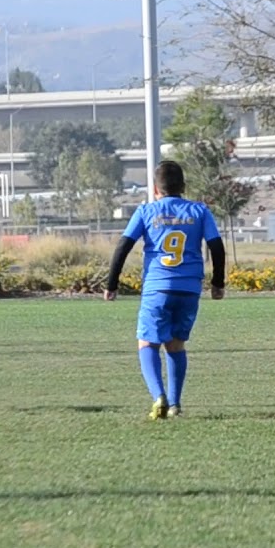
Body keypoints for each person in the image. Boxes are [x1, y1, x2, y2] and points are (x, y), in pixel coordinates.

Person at [105, 160, 226, 420]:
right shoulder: (200, 211)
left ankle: (158, 396)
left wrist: (112, 284)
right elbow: (216, 247)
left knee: (147, 342)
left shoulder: (146, 211)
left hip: (157, 287)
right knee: (176, 345)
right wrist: (218, 283)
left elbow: (123, 246)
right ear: (183, 186)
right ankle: (175, 404)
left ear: (155, 189)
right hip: (189, 288)